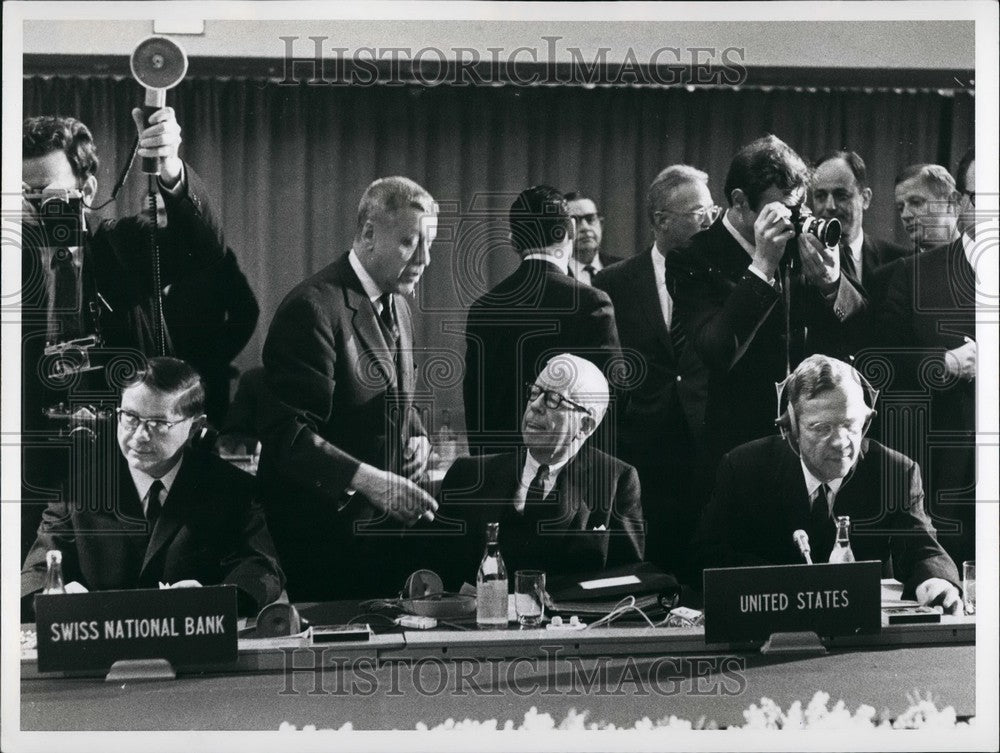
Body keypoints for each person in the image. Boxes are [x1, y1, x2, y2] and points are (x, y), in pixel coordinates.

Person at [20, 110, 226, 557]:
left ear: (87, 190)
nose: (36, 209)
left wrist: (169, 167)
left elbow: (204, 248)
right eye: (25, 195)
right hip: (35, 481)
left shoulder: (124, 247)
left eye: (49, 194)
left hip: (130, 470)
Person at [258, 176, 439, 600]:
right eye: (410, 242)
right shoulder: (312, 309)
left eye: (429, 245)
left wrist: (417, 436)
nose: (425, 259)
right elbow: (287, 435)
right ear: (369, 234)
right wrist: (371, 481)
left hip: (378, 538)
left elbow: (394, 396)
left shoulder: (399, 304)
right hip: (324, 541)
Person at [690, 355, 962, 613]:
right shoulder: (744, 468)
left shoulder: (896, 471)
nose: (841, 442)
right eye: (821, 428)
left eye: (850, 425)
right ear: (791, 428)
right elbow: (706, 556)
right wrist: (785, 585)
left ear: (866, 421)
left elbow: (923, 550)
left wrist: (936, 583)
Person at [21, 357, 284, 620]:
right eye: (130, 418)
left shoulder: (232, 489)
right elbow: (35, 574)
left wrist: (213, 599)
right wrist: (56, 594)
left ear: (194, 426)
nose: (140, 436)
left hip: (191, 635)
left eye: (158, 423)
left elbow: (262, 568)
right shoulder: (78, 493)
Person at [667, 135, 867, 467]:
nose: (795, 219)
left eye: (800, 207)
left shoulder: (806, 239)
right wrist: (762, 267)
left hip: (812, 440)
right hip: (736, 441)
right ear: (739, 201)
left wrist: (832, 283)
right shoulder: (693, 258)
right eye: (784, 210)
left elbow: (863, 326)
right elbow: (717, 351)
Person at [417, 354, 644, 589]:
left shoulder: (616, 481)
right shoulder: (468, 475)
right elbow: (431, 576)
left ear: (585, 426)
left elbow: (629, 583)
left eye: (554, 400)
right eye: (535, 392)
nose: (535, 405)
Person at [593, 165, 715, 574]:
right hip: (645, 452)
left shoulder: (722, 275)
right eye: (699, 213)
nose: (710, 221)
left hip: (707, 444)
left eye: (712, 211)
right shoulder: (614, 282)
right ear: (661, 220)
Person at [463, 185, 621, 454]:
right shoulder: (590, 303)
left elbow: (476, 406)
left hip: (499, 469)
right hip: (569, 469)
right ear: (570, 230)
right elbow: (612, 401)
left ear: (514, 241)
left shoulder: (483, 308)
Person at [877, 155, 977, 565]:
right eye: (901, 206)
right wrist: (946, 363)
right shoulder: (909, 273)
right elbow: (883, 362)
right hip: (951, 473)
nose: (906, 215)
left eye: (916, 202)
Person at [163, 247, 260, 426]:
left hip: (205, 380)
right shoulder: (142, 251)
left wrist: (215, 356)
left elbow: (246, 311)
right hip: (153, 375)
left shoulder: (212, 253)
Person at [893, 163, 962, 253]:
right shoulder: (901, 262)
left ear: (951, 201)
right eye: (900, 208)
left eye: (916, 202)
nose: (905, 215)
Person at [563, 191, 623, 285]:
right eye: (574, 221)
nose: (585, 228)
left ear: (601, 224)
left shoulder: (623, 269)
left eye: (590, 219)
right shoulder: (554, 275)